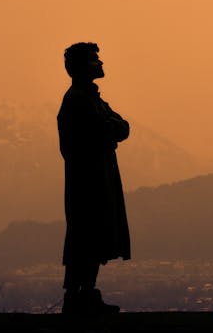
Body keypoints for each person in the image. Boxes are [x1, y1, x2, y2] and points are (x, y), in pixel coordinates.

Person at [57, 42, 130, 315]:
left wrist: (111, 130)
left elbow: (121, 127)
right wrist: (110, 131)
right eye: (94, 60)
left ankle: (84, 293)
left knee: (92, 237)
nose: (100, 64)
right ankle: (78, 296)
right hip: (88, 183)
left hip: (96, 179)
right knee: (86, 237)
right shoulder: (78, 100)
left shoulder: (91, 98)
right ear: (80, 67)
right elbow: (107, 130)